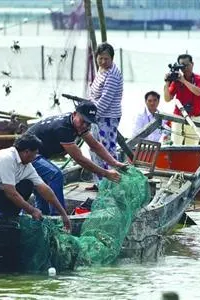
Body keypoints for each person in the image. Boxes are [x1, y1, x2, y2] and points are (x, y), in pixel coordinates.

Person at [26, 101, 127, 215]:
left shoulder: (78, 124)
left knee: (42, 185)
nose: (85, 125)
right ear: (75, 114)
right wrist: (106, 173)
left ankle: (44, 215)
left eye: (88, 123)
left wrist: (115, 162)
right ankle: (59, 216)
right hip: (26, 154)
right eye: (83, 121)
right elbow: (79, 159)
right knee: (55, 175)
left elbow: (95, 145)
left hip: (39, 155)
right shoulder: (63, 128)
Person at [0, 134, 71, 230]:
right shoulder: (6, 158)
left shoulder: (27, 166)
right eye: (35, 153)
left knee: (28, 184)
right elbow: (10, 193)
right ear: (27, 152)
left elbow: (45, 189)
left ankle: (6, 215)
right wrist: (32, 210)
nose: (35, 157)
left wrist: (63, 214)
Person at [88, 42, 124, 190]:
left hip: (107, 117)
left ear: (112, 59)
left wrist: (90, 115)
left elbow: (105, 101)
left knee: (108, 150)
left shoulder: (113, 74)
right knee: (93, 148)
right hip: (95, 117)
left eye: (106, 59)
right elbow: (92, 93)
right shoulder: (101, 70)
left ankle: (112, 185)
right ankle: (99, 182)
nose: (103, 62)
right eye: (100, 58)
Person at [163, 54, 200, 145]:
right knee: (176, 145)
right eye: (182, 66)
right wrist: (167, 83)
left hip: (194, 117)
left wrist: (184, 81)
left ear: (192, 64)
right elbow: (167, 98)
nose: (185, 68)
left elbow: (198, 92)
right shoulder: (177, 80)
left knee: (192, 146)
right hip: (179, 117)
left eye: (187, 65)